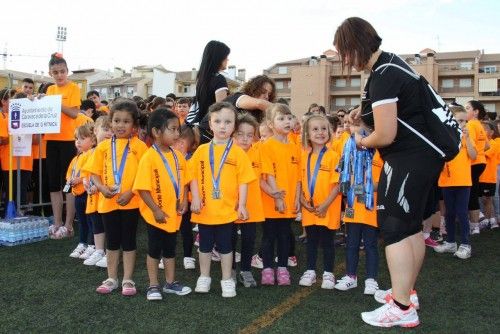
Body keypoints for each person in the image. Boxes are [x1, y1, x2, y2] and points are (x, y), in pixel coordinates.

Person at [335, 17, 445, 328]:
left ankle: (401, 306)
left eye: (344, 52)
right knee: (410, 228)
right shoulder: (392, 64)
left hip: (407, 159)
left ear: (356, 45)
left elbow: (384, 134)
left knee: (396, 228)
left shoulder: (382, 75)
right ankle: (406, 295)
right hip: (424, 158)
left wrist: (361, 139)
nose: (344, 60)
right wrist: (363, 110)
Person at [189, 102, 254, 297]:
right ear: (210, 124)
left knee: (227, 248)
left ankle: (227, 279)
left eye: (228, 122)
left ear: (234, 126)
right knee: (205, 246)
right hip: (205, 210)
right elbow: (192, 176)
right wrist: (196, 198)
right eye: (218, 121)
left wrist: (241, 204)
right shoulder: (201, 151)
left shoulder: (238, 153)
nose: (222, 126)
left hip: (227, 212)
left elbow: (244, 180)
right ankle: (204, 277)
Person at [84, 98, 147, 296]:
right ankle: (111, 278)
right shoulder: (102, 147)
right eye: (117, 121)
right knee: (112, 241)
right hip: (107, 202)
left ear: (134, 125)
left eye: (126, 121)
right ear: (110, 122)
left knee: (128, 241)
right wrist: (101, 187)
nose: (120, 125)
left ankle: (128, 279)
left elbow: (143, 175)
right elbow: (93, 172)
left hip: (131, 202)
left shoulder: (139, 147)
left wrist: (131, 192)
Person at [133, 108, 192, 300]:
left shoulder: (178, 156)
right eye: (173, 129)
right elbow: (142, 188)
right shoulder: (149, 157)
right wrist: (156, 209)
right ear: (157, 132)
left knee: (170, 249)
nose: (177, 134)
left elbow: (184, 181)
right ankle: (153, 285)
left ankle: (170, 282)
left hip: (173, 214)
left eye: (178, 129)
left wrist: (183, 200)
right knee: (154, 250)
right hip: (155, 215)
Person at [297, 115, 341, 289]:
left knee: (328, 241)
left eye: (324, 129)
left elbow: (337, 185)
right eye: (315, 129)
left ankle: (329, 273)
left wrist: (325, 205)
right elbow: (299, 181)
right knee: (311, 241)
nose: (320, 132)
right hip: (309, 208)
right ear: (307, 133)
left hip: (328, 208)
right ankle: (310, 270)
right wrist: (301, 200)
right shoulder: (303, 156)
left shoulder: (333, 156)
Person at [259, 104, 301, 286]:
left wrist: (297, 197)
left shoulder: (295, 146)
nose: (287, 121)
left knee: (285, 235)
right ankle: (267, 268)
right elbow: (268, 174)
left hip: (289, 201)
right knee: (269, 235)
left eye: (289, 118)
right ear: (270, 123)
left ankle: (282, 268)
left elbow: (298, 177)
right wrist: (277, 197)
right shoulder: (266, 146)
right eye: (281, 118)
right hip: (272, 201)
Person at [335, 150, 383, 294]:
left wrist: (361, 188)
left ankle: (371, 279)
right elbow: (343, 181)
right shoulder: (350, 152)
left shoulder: (381, 154)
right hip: (353, 209)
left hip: (371, 209)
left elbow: (382, 184)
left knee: (371, 245)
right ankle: (351, 276)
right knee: (351, 244)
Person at [44, 53, 81, 239]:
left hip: (67, 141)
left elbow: (74, 114)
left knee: (68, 183)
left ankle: (68, 225)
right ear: (50, 73)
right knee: (53, 183)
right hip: (50, 140)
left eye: (62, 71)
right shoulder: (49, 90)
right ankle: (57, 222)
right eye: (55, 72)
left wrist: (56, 104)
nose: (59, 75)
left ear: (67, 71)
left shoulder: (74, 88)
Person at [434, 107, 476, 258]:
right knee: (449, 213)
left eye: (465, 120)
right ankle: (451, 242)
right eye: (459, 120)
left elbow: (473, 155)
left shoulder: (466, 137)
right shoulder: (444, 136)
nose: (463, 123)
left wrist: (468, 139)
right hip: (446, 181)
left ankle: (466, 244)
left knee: (462, 213)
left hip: (463, 181)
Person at [232, 113, 267, 287]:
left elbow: (261, 180)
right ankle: (229, 271)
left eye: (249, 135)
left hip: (251, 207)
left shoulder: (258, 153)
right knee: (229, 240)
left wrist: (274, 193)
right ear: (233, 134)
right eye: (240, 134)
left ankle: (245, 270)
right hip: (230, 207)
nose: (245, 139)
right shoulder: (228, 153)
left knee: (249, 239)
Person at [82, 116, 113, 267]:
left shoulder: (111, 151)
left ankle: (109, 252)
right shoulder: (90, 152)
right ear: (95, 130)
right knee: (96, 224)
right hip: (92, 197)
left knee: (107, 224)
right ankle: (99, 250)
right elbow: (85, 171)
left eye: (111, 130)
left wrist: (98, 185)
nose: (109, 133)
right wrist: (85, 182)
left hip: (105, 195)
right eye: (106, 129)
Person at [185, 40, 230, 143]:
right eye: (226, 56)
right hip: (211, 132)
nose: (228, 59)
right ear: (218, 58)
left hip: (198, 129)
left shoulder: (201, 79)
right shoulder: (219, 79)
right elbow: (221, 109)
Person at [171, 124, 200, 270]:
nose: (176, 145)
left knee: (186, 230)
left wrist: (184, 201)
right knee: (169, 230)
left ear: (184, 143)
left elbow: (188, 183)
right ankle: (166, 256)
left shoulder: (191, 160)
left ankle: (188, 256)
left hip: (185, 203)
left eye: (178, 142)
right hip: (169, 201)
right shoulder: (167, 158)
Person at [67, 124, 96, 260]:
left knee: (91, 221)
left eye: (82, 138)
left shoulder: (92, 154)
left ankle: (92, 245)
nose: (78, 141)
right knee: (82, 221)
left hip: (88, 193)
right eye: (76, 138)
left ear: (93, 140)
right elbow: (69, 174)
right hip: (78, 194)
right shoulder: (76, 158)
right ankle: (83, 243)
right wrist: (70, 180)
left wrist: (79, 179)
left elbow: (91, 174)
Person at [465, 100, 488, 235]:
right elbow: (486, 146)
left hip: (473, 163)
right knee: (473, 192)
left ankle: (474, 225)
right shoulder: (479, 124)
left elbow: (471, 147)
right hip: (481, 162)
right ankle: (476, 221)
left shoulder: (471, 124)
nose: (465, 110)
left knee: (471, 194)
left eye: (468, 108)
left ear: (476, 112)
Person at [479, 121, 499, 229]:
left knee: (487, 199)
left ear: (491, 132)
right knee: (482, 199)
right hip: (480, 177)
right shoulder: (481, 143)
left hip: (489, 177)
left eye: (484, 130)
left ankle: (489, 220)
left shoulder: (494, 144)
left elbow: (483, 153)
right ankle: (489, 220)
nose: (482, 132)